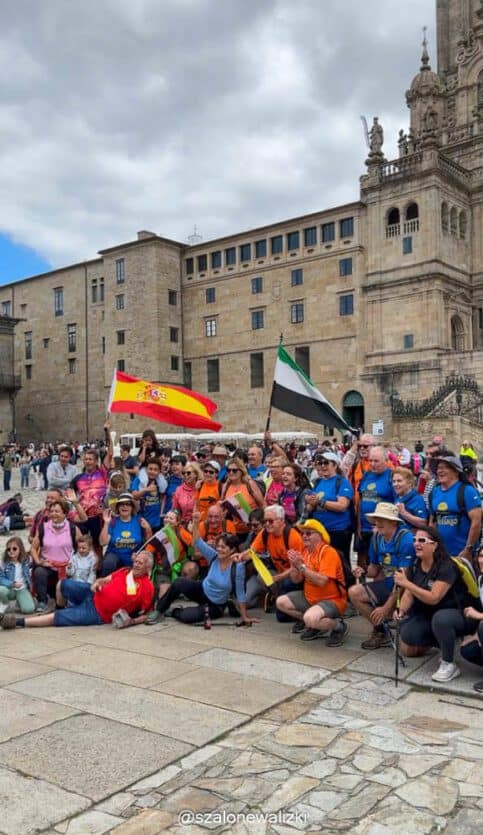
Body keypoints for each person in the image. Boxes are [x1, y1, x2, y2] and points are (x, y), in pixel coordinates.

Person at [395, 526, 476, 682]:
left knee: (441, 619)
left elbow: (434, 597)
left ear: (435, 545)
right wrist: (401, 610)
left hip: (460, 613)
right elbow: (409, 594)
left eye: (422, 540)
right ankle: (444, 642)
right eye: (414, 540)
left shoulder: (447, 566)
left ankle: (448, 663)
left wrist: (406, 583)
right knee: (408, 634)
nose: (416, 543)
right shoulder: (415, 564)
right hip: (431, 614)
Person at [146, 510, 254, 626]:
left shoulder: (238, 567)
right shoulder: (213, 556)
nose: (219, 549)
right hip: (202, 589)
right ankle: (160, 610)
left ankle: (174, 611)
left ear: (232, 550)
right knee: (179, 582)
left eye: (223, 547)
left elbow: (240, 593)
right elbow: (197, 542)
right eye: (218, 546)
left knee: (187, 616)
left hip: (215, 605)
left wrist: (244, 617)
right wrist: (196, 523)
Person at [2, 551, 154, 630]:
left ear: (148, 567)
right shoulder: (125, 570)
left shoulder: (148, 586)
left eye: (140, 563)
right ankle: (60, 608)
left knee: (58, 618)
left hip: (98, 613)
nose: (136, 565)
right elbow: (104, 579)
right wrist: (96, 583)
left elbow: (147, 614)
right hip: (92, 593)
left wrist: (131, 621)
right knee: (62, 584)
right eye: (136, 561)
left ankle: (17, 622)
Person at [349, 502, 414, 649]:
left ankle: (391, 619)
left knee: (408, 647)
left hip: (408, 589)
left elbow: (404, 580)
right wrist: (362, 571)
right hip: (389, 584)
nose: (377, 523)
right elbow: (374, 569)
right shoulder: (377, 538)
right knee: (354, 592)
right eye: (376, 519)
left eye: (382, 519)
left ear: (393, 522)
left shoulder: (406, 539)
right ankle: (381, 630)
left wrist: (385, 608)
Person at [275, 519, 348, 644]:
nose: (304, 536)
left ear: (320, 535)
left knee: (310, 618)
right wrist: (294, 565)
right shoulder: (305, 552)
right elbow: (296, 580)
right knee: (281, 602)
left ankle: (338, 626)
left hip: (332, 600)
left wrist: (301, 566)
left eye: (308, 533)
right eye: (302, 533)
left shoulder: (328, 552)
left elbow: (322, 581)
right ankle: (315, 625)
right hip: (310, 598)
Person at [240, 505, 304, 610]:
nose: (267, 524)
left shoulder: (293, 537)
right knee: (261, 577)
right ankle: (276, 596)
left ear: (281, 520)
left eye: (270, 521)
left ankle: (284, 600)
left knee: (287, 583)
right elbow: (251, 552)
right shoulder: (265, 533)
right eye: (265, 521)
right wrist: (240, 556)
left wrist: (279, 577)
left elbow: (299, 566)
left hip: (294, 575)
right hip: (278, 572)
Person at [304, 452, 354, 567]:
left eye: (326, 463)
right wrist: (309, 502)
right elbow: (310, 508)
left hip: (337, 531)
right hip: (320, 531)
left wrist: (320, 502)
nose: (322, 466)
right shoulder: (318, 482)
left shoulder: (342, 482)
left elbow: (342, 506)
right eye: (320, 463)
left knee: (340, 563)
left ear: (335, 465)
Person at [30, 499, 82, 611]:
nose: (53, 514)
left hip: (67, 567)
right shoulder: (43, 528)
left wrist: (75, 562)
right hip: (49, 566)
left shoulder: (73, 529)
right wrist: (39, 561)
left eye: (57, 511)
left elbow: (82, 547)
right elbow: (33, 548)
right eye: (51, 511)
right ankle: (42, 601)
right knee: (39, 571)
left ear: (65, 513)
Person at [428, 455, 481, 558]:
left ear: (456, 471)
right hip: (441, 554)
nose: (440, 471)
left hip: (463, 554)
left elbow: (476, 522)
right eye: (438, 468)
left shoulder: (467, 491)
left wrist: (468, 549)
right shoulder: (434, 492)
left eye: (444, 468)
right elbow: (432, 522)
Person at [357, 446, 396, 569]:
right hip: (365, 527)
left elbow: (396, 504)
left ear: (386, 461)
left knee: (380, 565)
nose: (372, 464)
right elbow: (361, 500)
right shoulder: (366, 475)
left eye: (376, 461)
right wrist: (359, 524)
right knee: (362, 563)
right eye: (370, 461)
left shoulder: (392, 477)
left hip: (382, 529)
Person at [100, 493, 152, 575]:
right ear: (118, 507)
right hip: (115, 556)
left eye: (128, 504)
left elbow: (148, 542)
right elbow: (103, 542)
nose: (125, 507)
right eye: (122, 504)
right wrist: (106, 523)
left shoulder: (139, 521)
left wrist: (148, 529)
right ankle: (105, 582)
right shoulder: (113, 522)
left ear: (132, 507)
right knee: (109, 562)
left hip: (134, 557)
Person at [221, 457, 265, 541]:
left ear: (241, 471)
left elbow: (262, 504)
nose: (231, 472)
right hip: (235, 529)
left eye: (234, 470)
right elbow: (223, 508)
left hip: (252, 528)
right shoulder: (226, 486)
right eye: (228, 470)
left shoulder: (249, 484)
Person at [460, 545, 483, 692]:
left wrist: (477, 615)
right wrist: (476, 636)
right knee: (468, 650)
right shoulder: (480, 579)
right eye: (480, 556)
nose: (482, 560)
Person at [0, 537, 36, 614]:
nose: (11, 551)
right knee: (1, 590)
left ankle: (21, 602)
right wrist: (12, 584)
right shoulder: (3, 563)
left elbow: (35, 562)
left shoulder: (27, 560)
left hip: (22, 589)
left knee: (29, 610)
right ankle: (5, 603)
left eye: (14, 549)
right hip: (9, 589)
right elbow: (1, 578)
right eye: (8, 549)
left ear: (20, 549)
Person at [131, 457, 167, 532]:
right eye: (150, 469)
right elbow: (134, 496)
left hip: (156, 521)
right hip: (141, 519)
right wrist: (145, 489)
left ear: (159, 471)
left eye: (155, 470)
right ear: (146, 469)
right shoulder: (138, 480)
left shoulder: (161, 482)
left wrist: (161, 513)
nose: (152, 472)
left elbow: (163, 497)